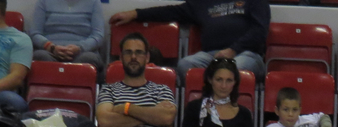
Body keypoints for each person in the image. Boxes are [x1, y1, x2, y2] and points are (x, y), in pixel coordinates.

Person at [108, 0, 268, 80]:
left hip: (245, 55)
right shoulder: (202, 2)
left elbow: (260, 31)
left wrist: (232, 50)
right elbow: (171, 12)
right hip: (211, 56)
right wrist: (135, 14)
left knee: (233, 69)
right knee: (185, 65)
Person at [28, 0, 104, 69]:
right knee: (40, 56)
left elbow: (98, 35)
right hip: (50, 52)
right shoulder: (43, 2)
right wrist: (51, 47)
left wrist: (80, 48)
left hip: (82, 53)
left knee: (89, 58)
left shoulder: (94, 2)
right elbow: (35, 33)